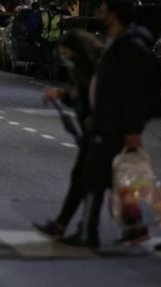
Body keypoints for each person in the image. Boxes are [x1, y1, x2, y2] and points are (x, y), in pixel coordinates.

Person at [61, 0, 161, 250]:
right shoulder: (118, 44)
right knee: (131, 180)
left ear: (114, 16)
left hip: (115, 126)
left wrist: (131, 130)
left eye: (103, 11)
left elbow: (131, 95)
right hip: (108, 122)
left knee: (96, 177)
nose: (99, 15)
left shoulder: (129, 48)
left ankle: (88, 232)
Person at [32, 29, 104, 240]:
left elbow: (93, 97)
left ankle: (84, 230)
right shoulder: (83, 69)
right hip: (93, 134)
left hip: (102, 134)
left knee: (114, 180)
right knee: (86, 179)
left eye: (67, 54)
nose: (65, 59)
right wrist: (61, 94)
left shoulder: (93, 70)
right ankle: (65, 225)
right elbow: (77, 97)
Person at [40, 1, 63, 81]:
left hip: (55, 40)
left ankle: (54, 76)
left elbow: (61, 28)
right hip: (47, 40)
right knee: (50, 60)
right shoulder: (45, 15)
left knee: (55, 59)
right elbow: (41, 26)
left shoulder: (58, 16)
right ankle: (51, 76)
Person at [26, 2, 44, 76]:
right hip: (43, 38)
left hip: (35, 39)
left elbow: (30, 28)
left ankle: (41, 69)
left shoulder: (32, 17)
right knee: (41, 55)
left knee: (37, 55)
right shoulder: (42, 15)